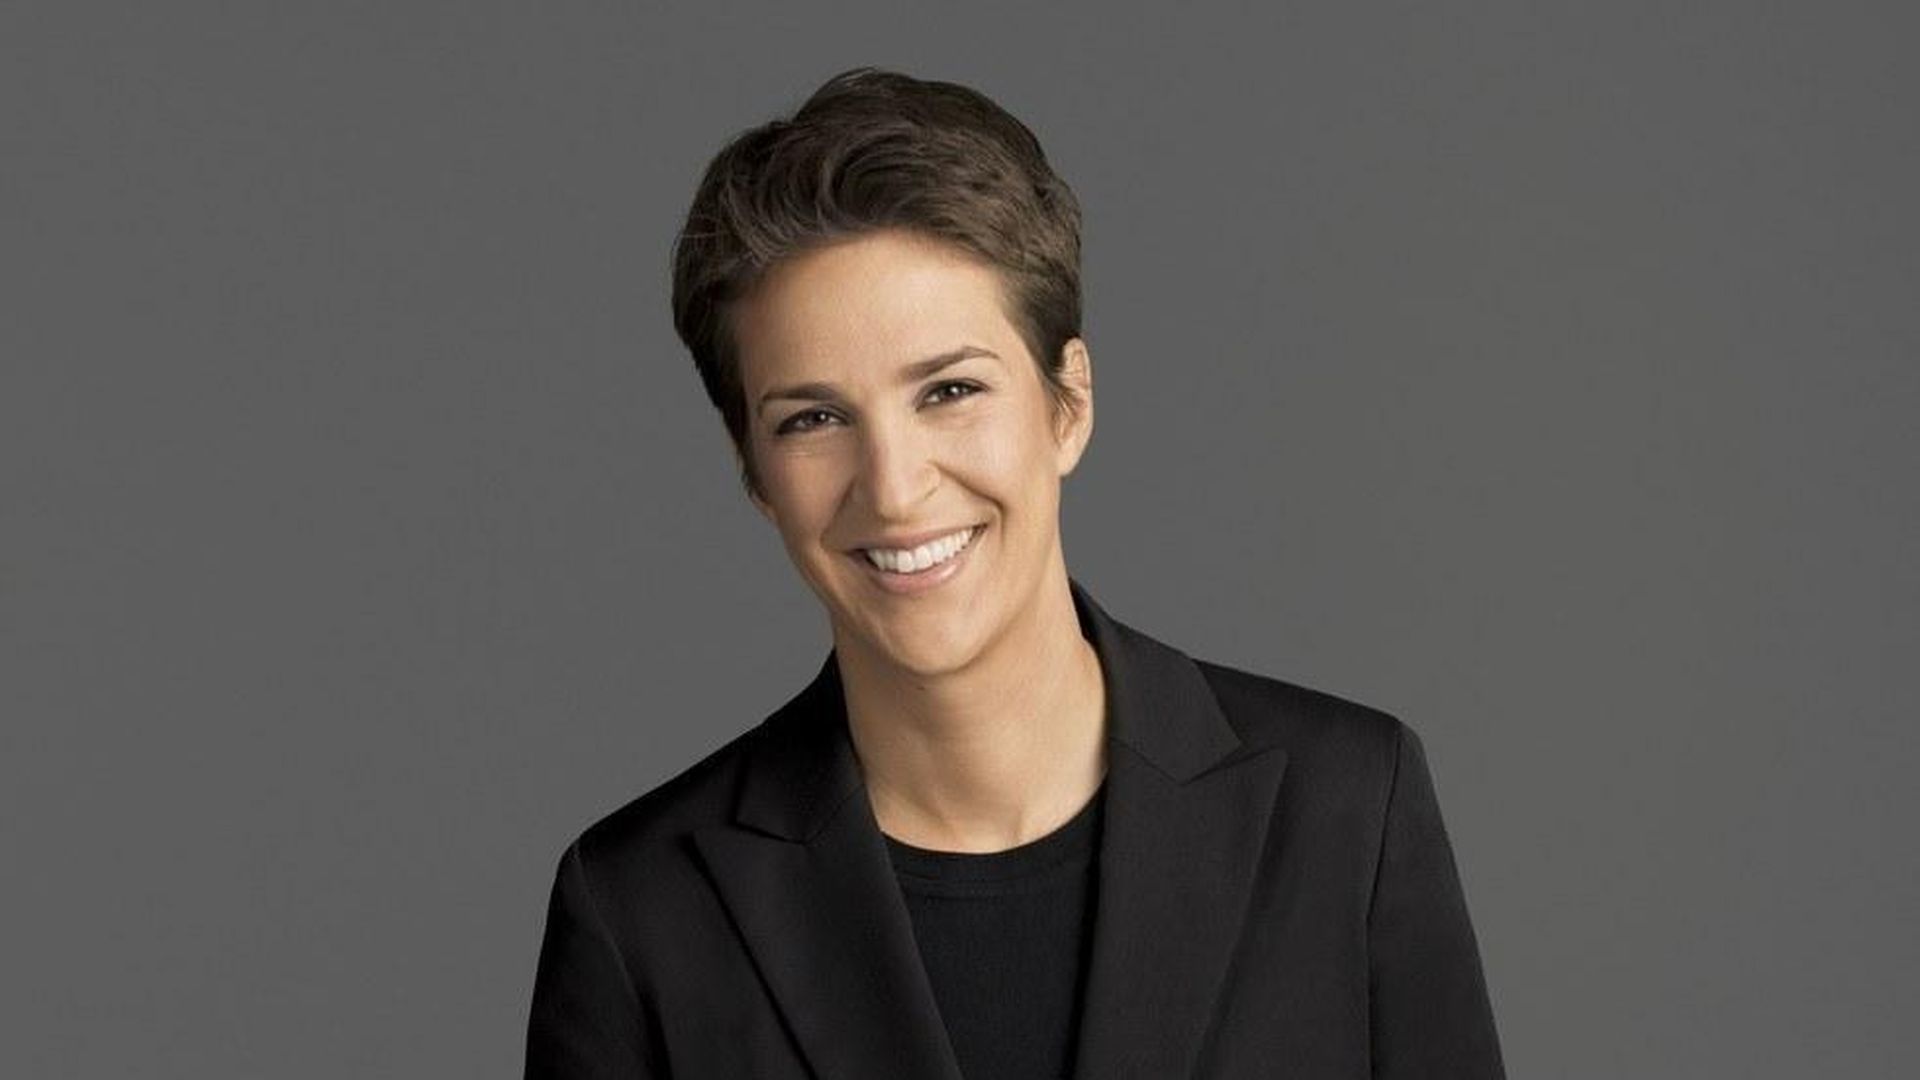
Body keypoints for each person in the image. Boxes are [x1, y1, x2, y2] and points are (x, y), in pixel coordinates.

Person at [525, 67, 1505, 1080]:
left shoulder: (1347, 810)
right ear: (754, 474)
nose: (894, 488)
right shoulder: (640, 913)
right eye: (813, 418)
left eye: (949, 391)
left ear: (1067, 404)